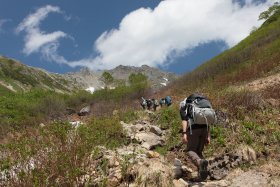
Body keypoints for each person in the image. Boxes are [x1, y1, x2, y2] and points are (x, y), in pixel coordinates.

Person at [179, 93, 211, 181]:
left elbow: (184, 120)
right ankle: (203, 175)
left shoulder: (184, 107)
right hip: (205, 128)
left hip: (194, 130)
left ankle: (200, 162)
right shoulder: (203, 105)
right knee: (198, 152)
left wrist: (184, 133)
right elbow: (208, 120)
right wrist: (208, 135)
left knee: (190, 151)